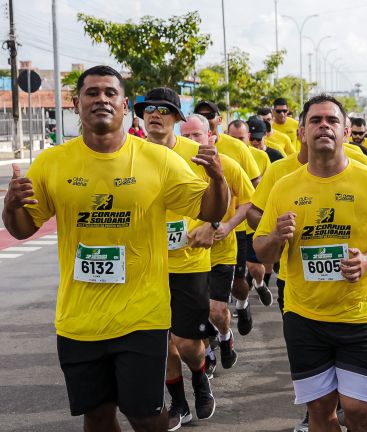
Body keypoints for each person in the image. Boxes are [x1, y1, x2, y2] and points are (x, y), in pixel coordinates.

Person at [2, 65, 228, 431]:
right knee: (97, 416)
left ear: (125, 106)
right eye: (92, 93)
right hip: (78, 321)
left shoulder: (159, 159)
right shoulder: (52, 162)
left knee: (145, 416)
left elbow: (211, 209)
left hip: (142, 317)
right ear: (76, 104)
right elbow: (24, 228)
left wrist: (217, 178)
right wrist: (11, 207)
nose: (101, 99)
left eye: (110, 93)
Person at [253, 94, 367, 432]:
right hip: (304, 316)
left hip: (359, 315)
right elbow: (262, 252)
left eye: (332, 120)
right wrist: (277, 236)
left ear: (345, 131)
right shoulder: (284, 187)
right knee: (320, 412)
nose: (324, 125)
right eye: (315, 120)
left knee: (360, 413)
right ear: (302, 132)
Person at [136, 88, 221, 429]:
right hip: (145, 264)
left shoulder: (196, 152)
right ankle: (179, 402)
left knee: (186, 343)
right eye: (148, 109)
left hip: (188, 263)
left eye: (163, 109)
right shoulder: (130, 154)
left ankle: (199, 378)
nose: (155, 114)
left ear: (176, 117)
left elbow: (219, 197)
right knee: (162, 341)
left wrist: (211, 225)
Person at [180, 114, 254, 381]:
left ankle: (225, 335)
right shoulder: (174, 166)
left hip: (222, 251)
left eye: (196, 135)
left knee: (217, 310)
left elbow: (248, 203)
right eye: (185, 136)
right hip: (187, 255)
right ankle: (208, 355)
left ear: (210, 136)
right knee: (197, 313)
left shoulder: (229, 165)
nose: (190, 141)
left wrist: (228, 226)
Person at [194, 101, 264, 338]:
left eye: (210, 116)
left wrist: (235, 222)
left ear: (217, 122)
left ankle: (243, 305)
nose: (207, 118)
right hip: (195, 239)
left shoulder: (236, 150)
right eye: (200, 115)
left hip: (237, 227)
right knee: (204, 304)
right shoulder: (180, 154)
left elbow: (254, 185)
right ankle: (215, 341)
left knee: (239, 283)